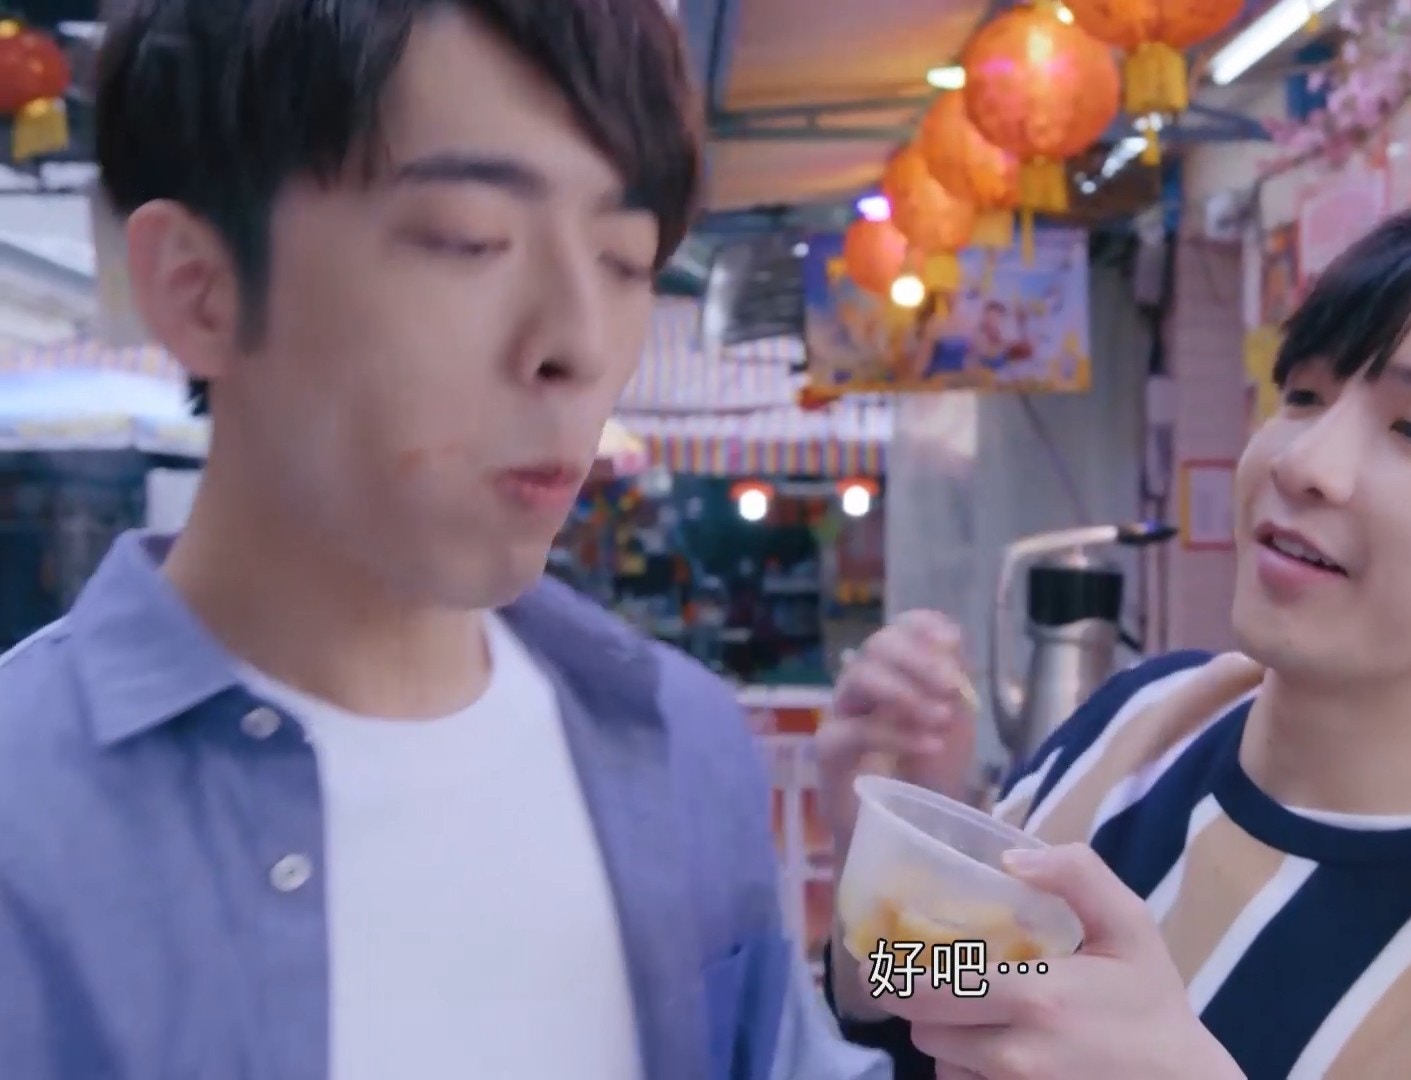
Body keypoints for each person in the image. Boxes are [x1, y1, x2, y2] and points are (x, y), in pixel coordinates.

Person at [0, 2, 887, 1078]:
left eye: (626, 258)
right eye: (470, 240)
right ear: (201, 289)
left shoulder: (676, 739)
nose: (580, 342)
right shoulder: (27, 822)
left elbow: (841, 1021)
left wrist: (938, 932)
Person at [818, 187, 1411, 1078]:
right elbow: (927, 1004)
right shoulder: (1140, 726)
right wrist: (893, 893)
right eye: (1303, 395)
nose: (1304, 461)